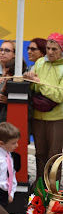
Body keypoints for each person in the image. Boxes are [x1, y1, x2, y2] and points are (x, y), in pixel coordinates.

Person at [23, 32, 63, 182]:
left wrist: (39, 83)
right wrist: (30, 81)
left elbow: (59, 95)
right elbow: (34, 90)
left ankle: (53, 189)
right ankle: (40, 189)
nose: (50, 52)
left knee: (54, 156)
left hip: (57, 119)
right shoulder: (40, 63)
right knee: (39, 154)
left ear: (61, 50)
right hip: (38, 116)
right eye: (48, 48)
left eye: (55, 49)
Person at [0, 122, 20, 209]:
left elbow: (12, 174)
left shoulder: (9, 155)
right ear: (1, 143)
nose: (17, 145)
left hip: (5, 194)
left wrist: (11, 192)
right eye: (13, 143)